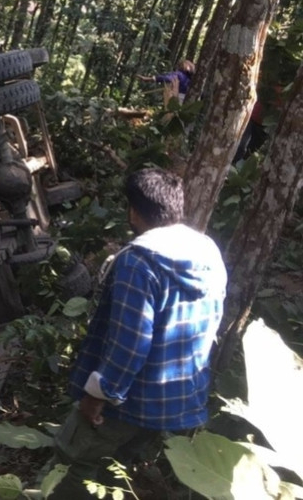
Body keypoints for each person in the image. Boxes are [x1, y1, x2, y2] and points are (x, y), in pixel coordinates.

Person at [48, 168, 227, 499]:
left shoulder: (138, 262)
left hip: (134, 400)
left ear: (134, 210)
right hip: (183, 398)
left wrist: (95, 398)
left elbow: (130, 345)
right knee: (142, 471)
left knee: (70, 462)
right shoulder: (207, 251)